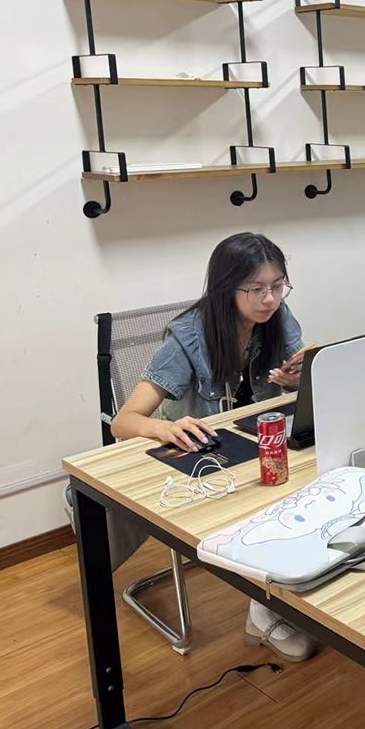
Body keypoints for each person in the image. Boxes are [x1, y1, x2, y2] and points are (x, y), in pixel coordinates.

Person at [111, 232, 317, 662]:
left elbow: (299, 376)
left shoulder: (278, 317)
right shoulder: (189, 336)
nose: (269, 299)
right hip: (203, 460)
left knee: (314, 477)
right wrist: (164, 428)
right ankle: (264, 613)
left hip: (257, 443)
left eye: (278, 286)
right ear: (227, 288)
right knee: (273, 498)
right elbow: (123, 421)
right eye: (255, 289)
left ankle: (294, 590)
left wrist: (297, 379)